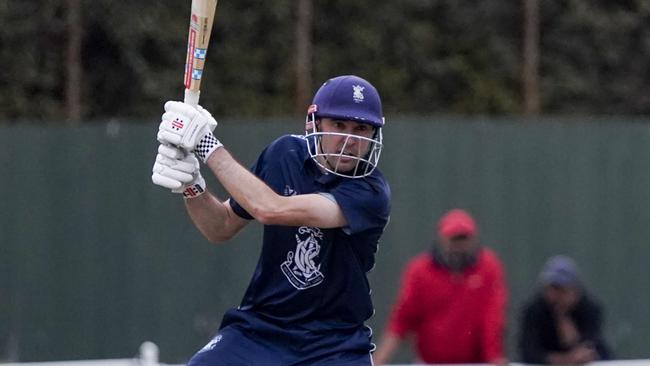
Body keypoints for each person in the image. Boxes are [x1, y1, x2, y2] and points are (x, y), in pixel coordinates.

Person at [150, 75, 391, 365]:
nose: (349, 140)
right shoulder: (283, 155)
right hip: (261, 330)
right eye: (338, 125)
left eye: (361, 128)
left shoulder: (371, 192)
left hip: (334, 343)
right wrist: (191, 186)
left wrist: (206, 145)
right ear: (315, 124)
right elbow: (221, 226)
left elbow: (270, 209)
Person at [373, 209, 508, 366]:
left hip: (476, 363)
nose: (458, 245)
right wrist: (378, 362)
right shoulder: (420, 271)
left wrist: (494, 358)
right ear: (442, 239)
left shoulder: (489, 267)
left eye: (463, 238)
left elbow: (493, 317)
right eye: (453, 239)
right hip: (431, 363)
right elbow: (402, 320)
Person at [518, 255, 612, 364]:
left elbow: (592, 343)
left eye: (561, 289)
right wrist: (564, 360)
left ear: (574, 290)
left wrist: (573, 338)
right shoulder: (534, 310)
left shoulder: (590, 309)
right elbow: (528, 351)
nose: (555, 295)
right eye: (550, 288)